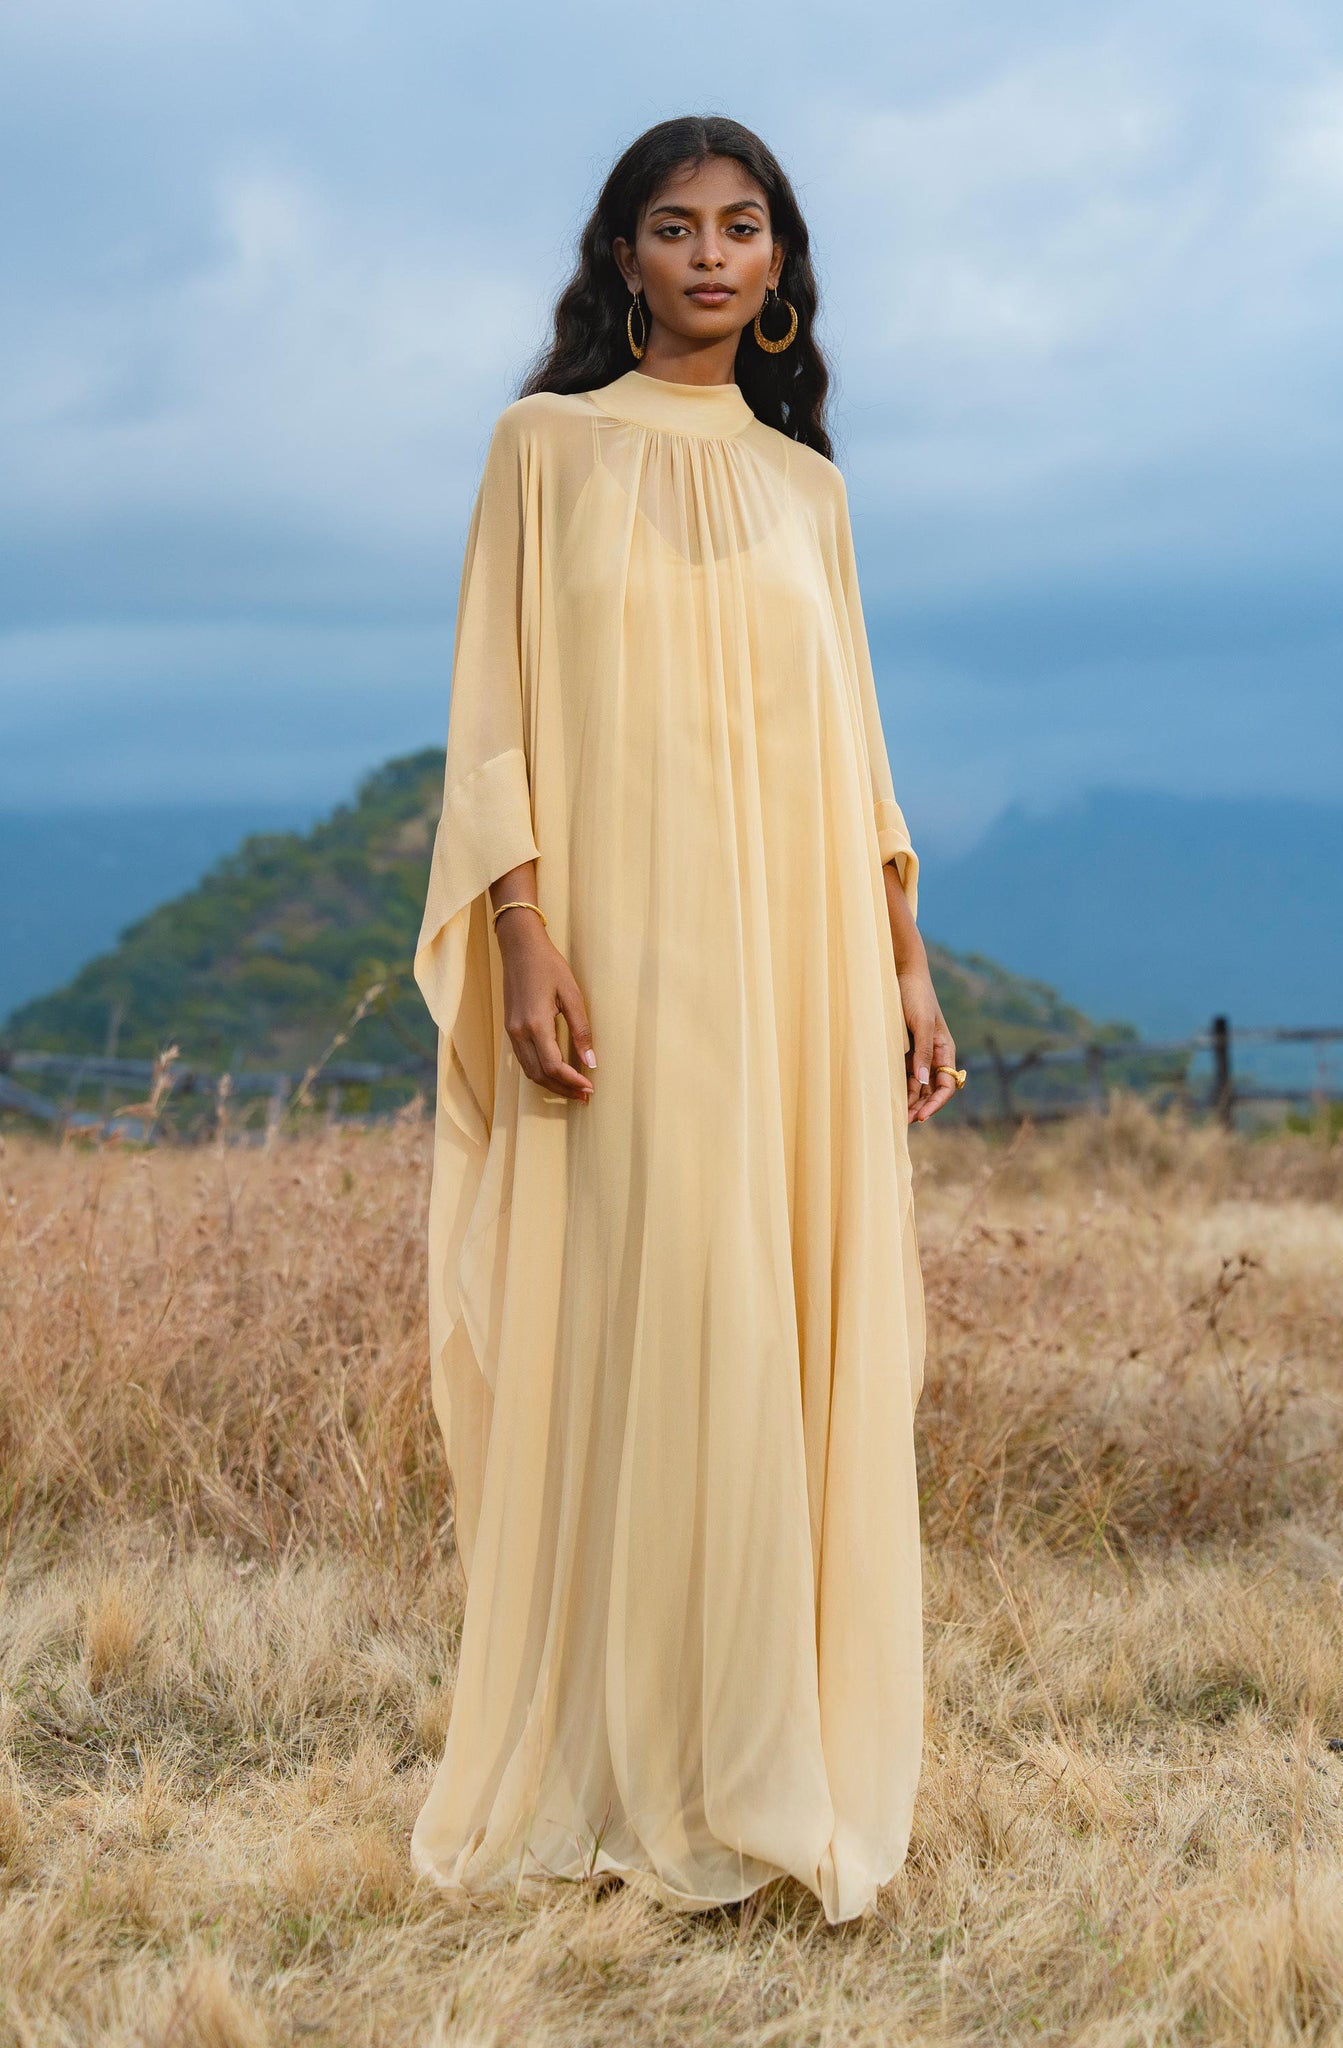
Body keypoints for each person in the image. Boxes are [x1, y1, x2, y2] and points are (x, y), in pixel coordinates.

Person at [409, 113, 961, 1928]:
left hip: (801, 963)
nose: (711, 254)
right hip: (623, 964)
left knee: (774, 1319)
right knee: (653, 1310)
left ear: (779, 262)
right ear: (621, 256)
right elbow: (492, 713)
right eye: (674, 225)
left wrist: (902, 958)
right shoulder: (542, 448)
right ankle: (618, 1758)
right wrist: (523, 934)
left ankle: (760, 1760)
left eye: (741, 226)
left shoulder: (810, 491)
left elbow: (853, 744)